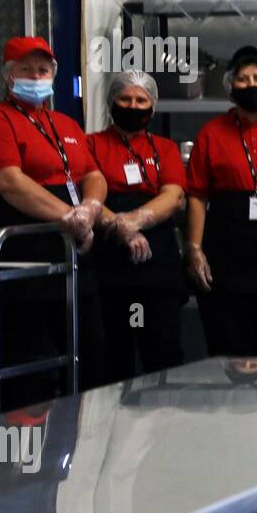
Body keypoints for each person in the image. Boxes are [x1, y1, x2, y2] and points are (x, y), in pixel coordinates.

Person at [0, 36, 107, 408]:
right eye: (25, 69)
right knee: (30, 366)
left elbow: (94, 174)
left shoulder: (66, 124)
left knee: (88, 356)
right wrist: (67, 217)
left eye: (42, 69)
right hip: (21, 256)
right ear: (9, 76)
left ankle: (83, 449)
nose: (36, 75)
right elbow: (10, 182)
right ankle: (25, 457)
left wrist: (90, 209)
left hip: (73, 255)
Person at [86, 70, 188, 383]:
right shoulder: (91, 144)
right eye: (125, 99)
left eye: (141, 99)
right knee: (112, 357)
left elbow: (173, 195)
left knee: (163, 353)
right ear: (111, 102)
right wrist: (118, 226)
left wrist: (136, 219)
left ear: (152, 106)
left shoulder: (166, 148)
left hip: (158, 267)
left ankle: (164, 425)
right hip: (109, 263)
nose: (133, 105)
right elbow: (87, 195)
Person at [184, 46, 257, 356]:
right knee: (227, 345)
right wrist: (194, 249)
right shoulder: (211, 134)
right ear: (230, 87)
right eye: (243, 79)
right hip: (225, 252)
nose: (252, 85)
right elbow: (198, 195)